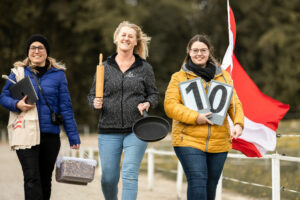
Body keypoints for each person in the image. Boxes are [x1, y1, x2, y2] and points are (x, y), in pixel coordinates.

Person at [0, 34, 80, 200]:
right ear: (28, 52)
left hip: (50, 135)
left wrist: (73, 136)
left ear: (46, 52)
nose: (36, 51)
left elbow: (65, 107)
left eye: (40, 47)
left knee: (45, 180)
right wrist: (17, 105)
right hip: (25, 134)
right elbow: (3, 97)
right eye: (32, 48)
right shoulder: (18, 73)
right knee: (32, 178)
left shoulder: (58, 75)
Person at [164, 34, 244, 200]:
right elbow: (170, 106)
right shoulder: (178, 77)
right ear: (189, 52)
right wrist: (195, 117)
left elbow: (233, 104)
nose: (199, 53)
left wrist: (238, 124)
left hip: (219, 141)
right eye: (195, 50)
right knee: (198, 180)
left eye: (203, 50)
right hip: (187, 140)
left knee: (210, 186)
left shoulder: (224, 76)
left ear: (209, 52)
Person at [87, 21, 158, 200]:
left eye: (130, 36)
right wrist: (94, 102)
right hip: (108, 130)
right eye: (123, 35)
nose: (126, 38)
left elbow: (154, 95)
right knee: (109, 179)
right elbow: (91, 95)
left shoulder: (144, 68)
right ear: (116, 38)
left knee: (129, 174)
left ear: (136, 42)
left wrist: (148, 103)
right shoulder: (104, 67)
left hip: (137, 129)